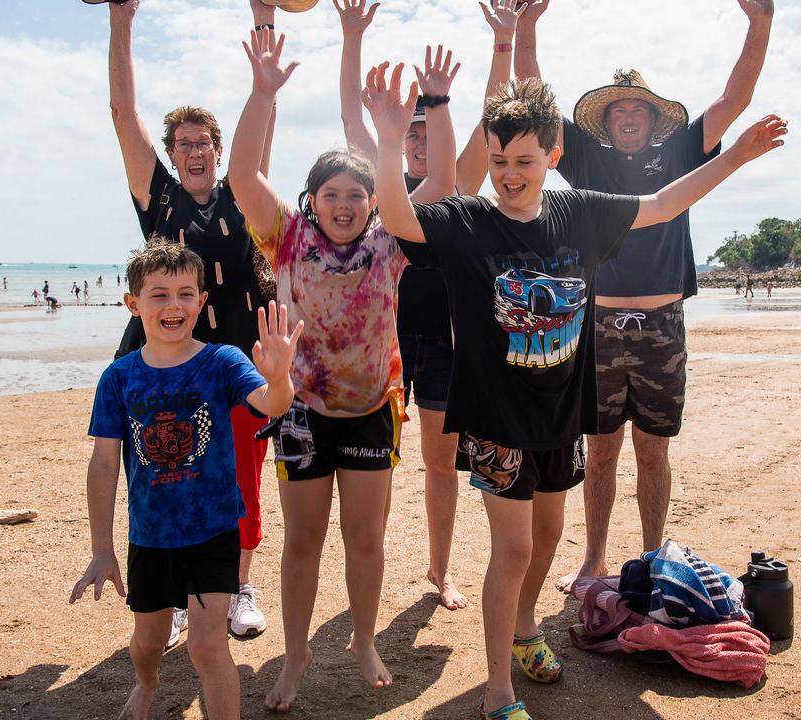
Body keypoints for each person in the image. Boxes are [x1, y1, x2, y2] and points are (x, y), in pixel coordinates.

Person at [367, 66, 785, 717]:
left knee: (550, 533)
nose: (509, 173)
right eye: (500, 160)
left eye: (524, 160)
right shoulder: (470, 220)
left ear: (552, 156)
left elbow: (661, 206)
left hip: (563, 413)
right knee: (515, 547)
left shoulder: (578, 212)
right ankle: (499, 686)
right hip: (497, 418)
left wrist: (736, 154)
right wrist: (389, 142)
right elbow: (399, 216)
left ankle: (527, 627)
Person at [229, 29, 461, 712]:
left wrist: (410, 128)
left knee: (366, 538)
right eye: (331, 193)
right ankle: (297, 653)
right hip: (301, 412)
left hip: (371, 410)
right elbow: (243, 176)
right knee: (302, 539)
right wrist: (261, 93)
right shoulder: (288, 238)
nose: (343, 203)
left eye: (355, 194)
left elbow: (442, 184)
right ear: (312, 200)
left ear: (371, 202)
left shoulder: (390, 244)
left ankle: (362, 637)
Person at [515, 0, 775, 593]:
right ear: (603, 122)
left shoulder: (681, 152)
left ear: (653, 120)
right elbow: (533, 105)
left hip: (661, 326)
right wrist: (526, 30)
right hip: (599, 327)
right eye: (618, 110)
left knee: (654, 453)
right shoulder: (582, 159)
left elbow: (732, 102)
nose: (628, 116)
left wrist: (759, 24)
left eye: (638, 109)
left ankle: (656, 557)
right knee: (601, 452)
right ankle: (595, 559)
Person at [334, 0, 523, 611]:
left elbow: (493, 116)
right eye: (407, 129)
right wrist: (352, 35)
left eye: (424, 129)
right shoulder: (377, 178)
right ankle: (375, 570)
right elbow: (348, 114)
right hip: (383, 344)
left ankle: (440, 572)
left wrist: (505, 41)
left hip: (446, 341)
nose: (415, 139)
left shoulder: (457, 178)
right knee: (377, 467)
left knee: (441, 464)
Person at [104, 0, 282, 648]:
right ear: (174, 155)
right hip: (160, 365)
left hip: (235, 363)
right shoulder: (159, 198)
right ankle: (179, 594)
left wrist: (264, 17)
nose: (195, 150)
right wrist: (122, 19)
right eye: (184, 143)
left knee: (242, 483)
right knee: (163, 474)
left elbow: (263, 110)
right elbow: (124, 115)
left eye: (204, 141)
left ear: (217, 148)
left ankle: (238, 589)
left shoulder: (240, 191)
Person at [70, 243, 301, 720]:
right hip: (150, 538)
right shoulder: (119, 378)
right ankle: (146, 684)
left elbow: (271, 404)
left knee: (207, 646)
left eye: (184, 294)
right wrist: (101, 549)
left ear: (201, 301)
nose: (173, 306)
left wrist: (279, 379)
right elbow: (104, 465)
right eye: (158, 295)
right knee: (148, 642)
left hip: (214, 531)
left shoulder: (221, 361)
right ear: (133, 304)